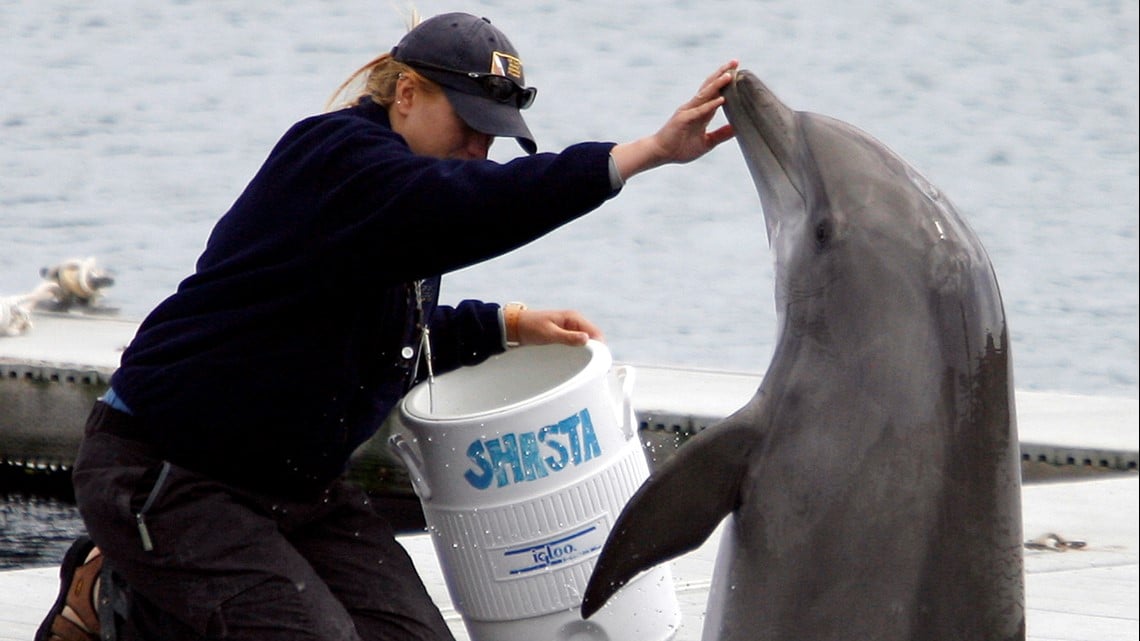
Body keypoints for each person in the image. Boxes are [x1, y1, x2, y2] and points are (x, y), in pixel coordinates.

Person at [36, 11, 737, 641]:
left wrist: (507, 324)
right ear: (406, 95)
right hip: (168, 470)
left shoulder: (405, 195)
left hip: (295, 486)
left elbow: (383, 331)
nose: (477, 151)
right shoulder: (338, 161)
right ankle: (113, 593)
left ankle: (153, 586)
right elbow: (471, 206)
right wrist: (641, 153)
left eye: (492, 138)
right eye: (467, 126)